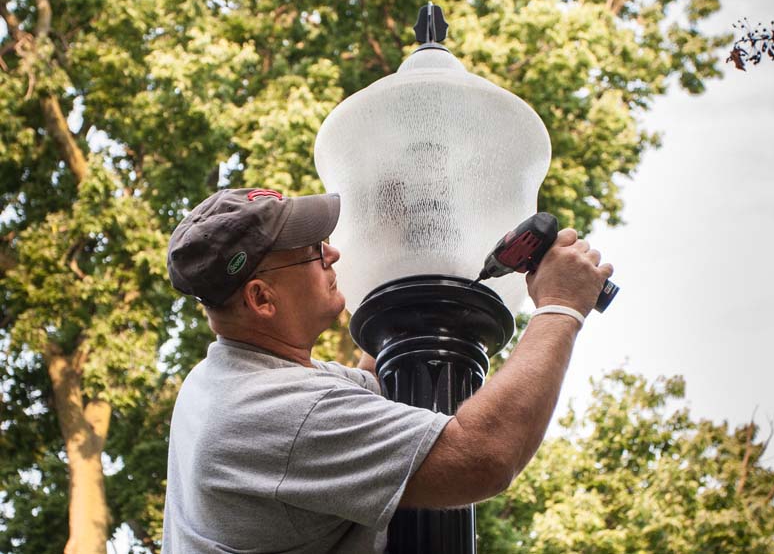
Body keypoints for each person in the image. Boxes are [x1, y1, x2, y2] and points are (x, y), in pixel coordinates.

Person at [161, 187, 613, 553]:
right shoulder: (270, 415)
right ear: (262, 299)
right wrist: (561, 306)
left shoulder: (218, 379)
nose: (332, 254)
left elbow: (371, 395)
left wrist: (410, 254)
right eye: (312, 252)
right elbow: (484, 457)